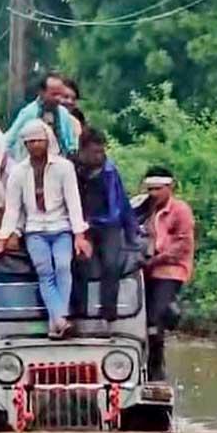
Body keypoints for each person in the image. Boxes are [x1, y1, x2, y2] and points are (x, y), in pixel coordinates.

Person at [0, 119, 92, 339]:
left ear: (47, 141)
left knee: (63, 268)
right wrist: (5, 236)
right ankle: (60, 320)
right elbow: (13, 209)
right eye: (30, 142)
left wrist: (79, 235)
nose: (35, 145)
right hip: (35, 230)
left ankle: (56, 321)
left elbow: (73, 203)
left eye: (39, 140)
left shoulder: (64, 167)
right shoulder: (18, 172)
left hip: (61, 228)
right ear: (25, 145)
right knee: (45, 271)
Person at [73, 128, 139, 329]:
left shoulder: (110, 171)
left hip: (109, 224)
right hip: (83, 225)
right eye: (95, 152)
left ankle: (108, 315)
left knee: (112, 264)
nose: (99, 156)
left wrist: (132, 233)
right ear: (82, 150)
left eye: (102, 151)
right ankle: (79, 313)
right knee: (80, 262)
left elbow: (122, 203)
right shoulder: (71, 169)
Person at [142, 166, 195, 381]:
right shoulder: (144, 209)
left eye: (157, 189)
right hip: (145, 271)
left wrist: (156, 258)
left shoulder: (180, 210)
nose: (153, 194)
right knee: (141, 320)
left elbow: (183, 244)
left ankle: (156, 372)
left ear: (170, 187)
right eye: (150, 189)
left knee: (155, 318)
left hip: (170, 269)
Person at [4, 72, 80, 159]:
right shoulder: (29, 113)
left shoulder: (64, 114)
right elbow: (9, 140)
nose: (58, 98)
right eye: (54, 94)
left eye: (60, 94)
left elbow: (71, 145)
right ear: (41, 93)